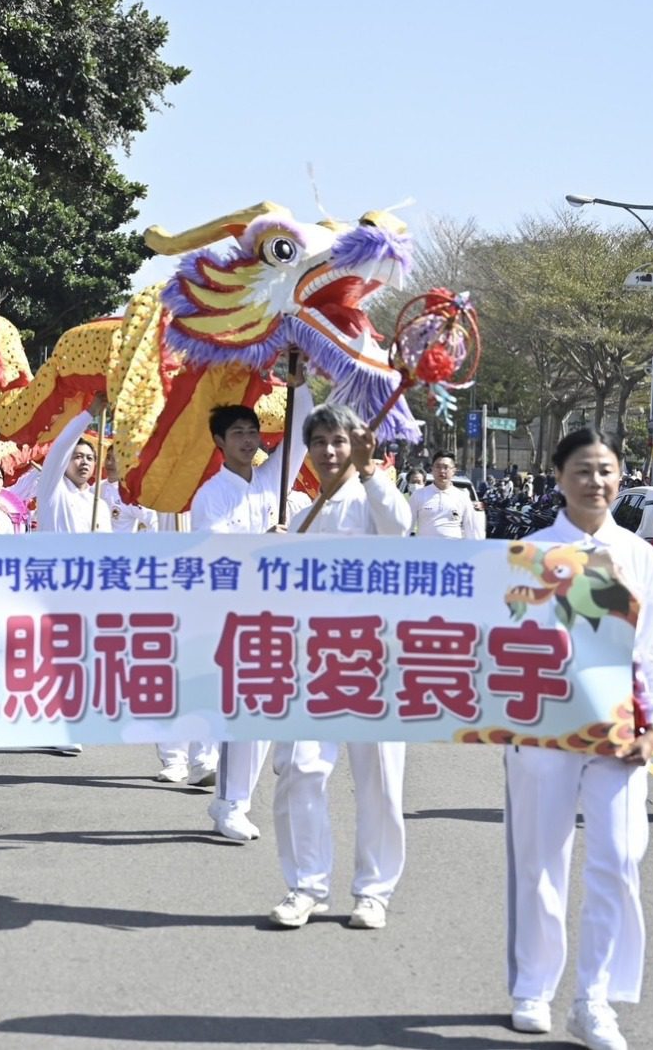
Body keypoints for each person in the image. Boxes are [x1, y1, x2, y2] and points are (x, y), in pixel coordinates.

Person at [504, 428, 653, 1050]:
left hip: (619, 731)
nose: (594, 481)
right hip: (543, 729)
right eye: (581, 469)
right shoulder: (530, 552)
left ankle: (593, 999)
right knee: (540, 857)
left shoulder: (639, 554)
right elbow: (502, 639)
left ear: (620, 477)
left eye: (605, 470)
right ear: (558, 477)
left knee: (620, 858)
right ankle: (534, 986)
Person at [270, 402, 411, 931]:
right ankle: (307, 885)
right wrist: (274, 554)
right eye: (319, 442)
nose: (329, 451)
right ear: (307, 450)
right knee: (301, 770)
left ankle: (373, 891)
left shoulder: (373, 498)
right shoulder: (300, 515)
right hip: (314, 663)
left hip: (375, 660)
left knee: (379, 781)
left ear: (355, 447)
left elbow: (398, 528)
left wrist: (372, 471)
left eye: (338, 441)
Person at [189, 379, 314, 838]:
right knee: (242, 712)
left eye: (252, 431)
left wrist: (301, 383)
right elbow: (217, 553)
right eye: (238, 433)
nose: (248, 439)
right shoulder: (210, 495)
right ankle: (228, 804)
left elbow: (301, 430)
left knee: (265, 709)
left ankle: (235, 800)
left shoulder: (271, 481)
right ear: (219, 442)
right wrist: (265, 543)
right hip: (230, 617)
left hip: (275, 614)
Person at [35, 397, 112, 534]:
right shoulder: (52, 490)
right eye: (78, 457)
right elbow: (61, 447)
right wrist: (90, 413)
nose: (85, 462)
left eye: (89, 458)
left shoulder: (100, 506)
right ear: (65, 461)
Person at [409, 450, 485, 540]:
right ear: (432, 469)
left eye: (446, 467)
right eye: (438, 467)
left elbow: (471, 529)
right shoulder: (418, 495)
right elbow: (407, 526)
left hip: (454, 548)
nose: (442, 471)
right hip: (425, 547)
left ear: (454, 470)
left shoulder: (462, 496)